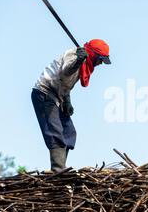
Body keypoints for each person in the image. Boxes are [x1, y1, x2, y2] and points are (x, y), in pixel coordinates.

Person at [31, 39, 111, 172]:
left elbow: (65, 84)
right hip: (44, 93)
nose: (100, 63)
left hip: (58, 96)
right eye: (100, 59)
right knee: (55, 131)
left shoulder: (84, 62)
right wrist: (78, 61)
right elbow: (65, 72)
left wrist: (67, 101)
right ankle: (58, 169)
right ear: (94, 55)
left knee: (69, 132)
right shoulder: (74, 55)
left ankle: (61, 167)